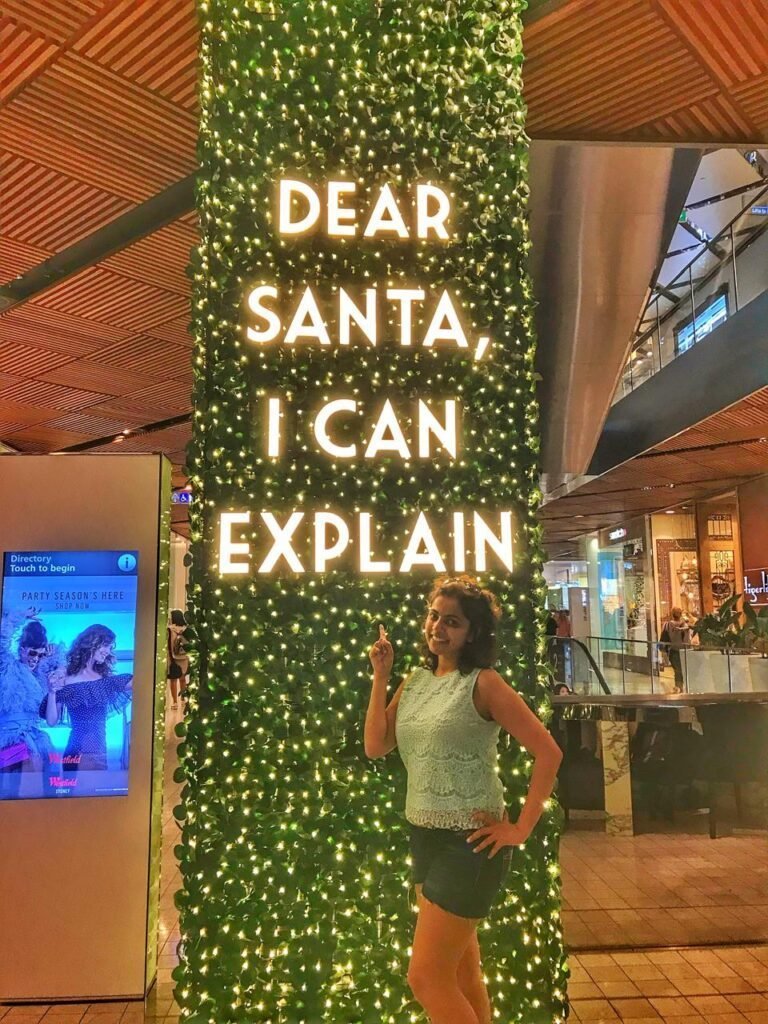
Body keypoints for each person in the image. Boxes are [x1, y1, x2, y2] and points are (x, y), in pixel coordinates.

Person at [365, 575, 562, 1024]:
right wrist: (381, 677)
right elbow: (377, 745)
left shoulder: (484, 682)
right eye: (434, 616)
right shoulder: (415, 681)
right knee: (461, 974)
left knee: (426, 979)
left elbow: (549, 752)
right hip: (425, 837)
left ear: (472, 632)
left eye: (451, 621)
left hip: (470, 845)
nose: (437, 627)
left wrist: (521, 827)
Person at [44, 624, 132, 772]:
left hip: (99, 754)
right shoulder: (64, 676)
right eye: (105, 645)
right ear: (92, 642)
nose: (108, 651)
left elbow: (141, 681)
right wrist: (52, 692)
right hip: (75, 753)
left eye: (110, 648)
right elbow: (51, 721)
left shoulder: (106, 679)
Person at [0, 612, 55, 799]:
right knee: (8, 791)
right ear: (22, 648)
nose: (36, 659)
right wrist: (20, 616)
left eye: (40, 655)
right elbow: (1, 640)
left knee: (34, 786)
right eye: (32, 652)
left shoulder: (39, 676)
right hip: (7, 738)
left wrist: (51, 656)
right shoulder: (8, 666)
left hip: (33, 739)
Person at [660, 606, 691, 692]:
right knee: (681, 668)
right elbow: (687, 639)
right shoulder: (685, 625)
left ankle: (678, 685)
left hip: (672, 650)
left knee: (677, 669)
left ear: (672, 614)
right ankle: (680, 685)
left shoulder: (667, 625)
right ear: (680, 614)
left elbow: (663, 637)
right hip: (683, 650)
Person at [167, 609, 189, 711]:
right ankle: (183, 699)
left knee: (173, 680)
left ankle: (175, 701)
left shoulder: (170, 630)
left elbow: (168, 644)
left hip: (173, 657)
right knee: (183, 679)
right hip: (184, 657)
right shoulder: (186, 629)